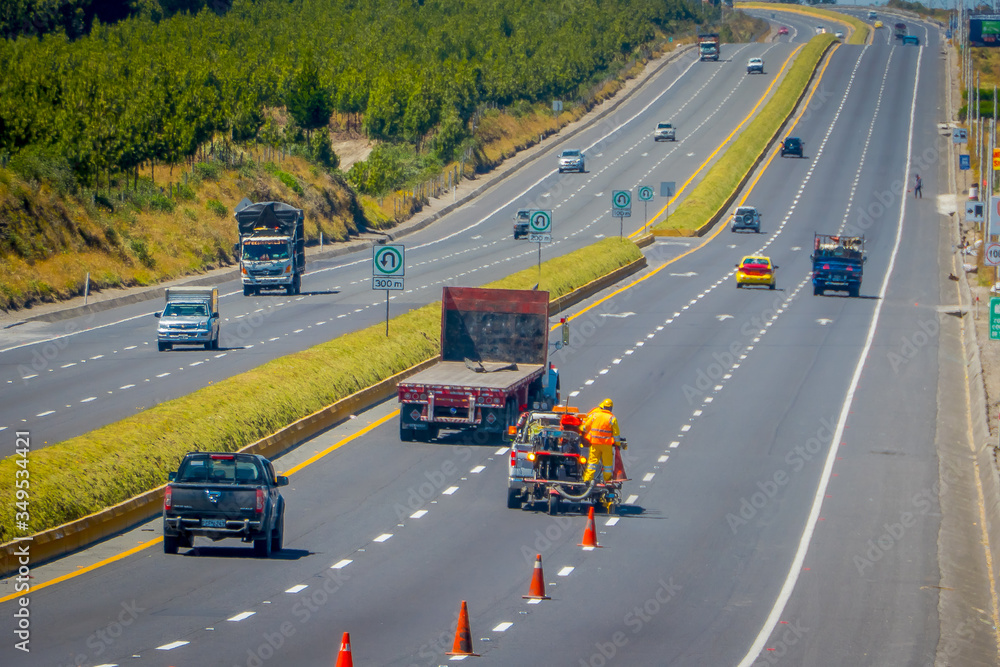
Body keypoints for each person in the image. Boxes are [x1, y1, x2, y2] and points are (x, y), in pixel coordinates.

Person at [580, 398, 621, 482]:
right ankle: (607, 481)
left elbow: (586, 427)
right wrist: (617, 444)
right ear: (611, 408)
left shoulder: (595, 415)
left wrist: (581, 430)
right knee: (607, 466)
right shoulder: (612, 418)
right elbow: (616, 434)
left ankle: (587, 480)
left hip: (595, 444)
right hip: (606, 445)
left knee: (592, 463)